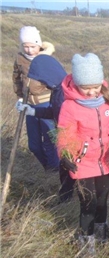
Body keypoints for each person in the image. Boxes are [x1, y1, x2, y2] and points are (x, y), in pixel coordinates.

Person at [56, 53, 109, 258]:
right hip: (83, 163)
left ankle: (101, 233)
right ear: (77, 84)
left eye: (95, 87)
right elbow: (65, 134)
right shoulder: (70, 106)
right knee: (87, 204)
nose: (91, 92)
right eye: (86, 88)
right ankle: (86, 242)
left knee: (102, 201)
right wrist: (65, 154)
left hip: (107, 160)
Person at [17, 54, 76, 203]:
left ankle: (68, 202)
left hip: (72, 140)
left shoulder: (64, 93)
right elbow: (53, 112)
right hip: (65, 139)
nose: (42, 83)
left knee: (71, 172)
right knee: (66, 171)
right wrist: (31, 111)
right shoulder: (57, 89)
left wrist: (69, 143)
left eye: (42, 79)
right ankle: (66, 200)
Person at [13, 26, 59, 171]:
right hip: (29, 106)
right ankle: (47, 167)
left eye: (32, 46)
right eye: (25, 46)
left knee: (51, 141)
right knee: (34, 145)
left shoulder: (46, 59)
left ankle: (53, 171)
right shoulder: (20, 59)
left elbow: (57, 83)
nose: (29, 50)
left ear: (38, 45)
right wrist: (20, 97)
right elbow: (16, 79)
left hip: (46, 105)